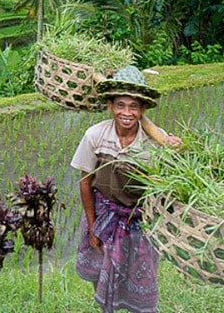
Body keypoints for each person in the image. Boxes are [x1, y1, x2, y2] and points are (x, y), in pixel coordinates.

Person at [71, 65, 182, 313]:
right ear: (110, 106)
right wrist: (92, 227)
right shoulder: (95, 136)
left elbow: (172, 185)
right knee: (102, 274)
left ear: (143, 110)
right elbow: (85, 181)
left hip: (140, 220)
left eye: (134, 107)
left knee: (141, 282)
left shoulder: (157, 141)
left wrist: (177, 151)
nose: (127, 113)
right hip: (104, 216)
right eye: (120, 105)